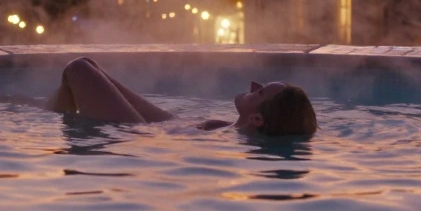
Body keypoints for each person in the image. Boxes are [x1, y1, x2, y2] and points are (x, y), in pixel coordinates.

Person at [46, 57, 317, 136]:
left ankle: (50, 118)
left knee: (78, 69)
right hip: (163, 127)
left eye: (259, 91)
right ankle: (54, 115)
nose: (253, 83)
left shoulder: (227, 140)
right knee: (90, 67)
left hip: (142, 136)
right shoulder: (225, 129)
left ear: (257, 118)